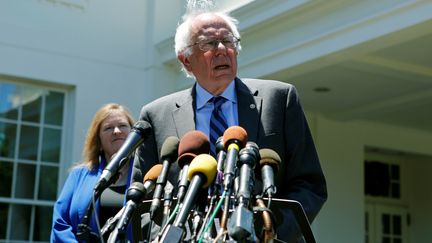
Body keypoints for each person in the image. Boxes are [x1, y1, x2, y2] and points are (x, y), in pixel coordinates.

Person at [131, 2, 327, 242]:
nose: (222, 49)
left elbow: (309, 184)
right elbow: (143, 201)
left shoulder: (279, 98)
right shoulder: (156, 115)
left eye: (229, 41)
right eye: (209, 43)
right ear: (186, 60)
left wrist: (270, 234)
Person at [51, 103, 135, 242]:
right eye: (108, 128)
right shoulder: (79, 176)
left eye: (122, 125)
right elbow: (60, 224)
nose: (117, 131)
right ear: (99, 141)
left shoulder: (148, 174)